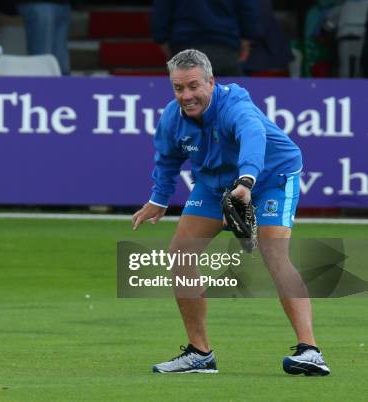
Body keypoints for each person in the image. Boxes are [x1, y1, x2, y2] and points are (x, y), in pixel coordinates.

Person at [131, 49, 331, 376]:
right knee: (181, 254)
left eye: (194, 86)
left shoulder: (235, 106)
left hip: (271, 176)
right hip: (216, 182)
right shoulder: (172, 117)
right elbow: (166, 159)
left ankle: (310, 351)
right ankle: (200, 354)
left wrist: (246, 181)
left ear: (211, 81)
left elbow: (253, 137)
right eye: (179, 88)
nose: (186, 95)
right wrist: (159, 198)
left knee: (273, 251)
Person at [151, 0, 260, 76]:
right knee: (229, 102)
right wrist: (246, 41)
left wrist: (162, 40)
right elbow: (249, 11)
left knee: (185, 100)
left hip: (184, 44)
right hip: (225, 48)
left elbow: (160, 11)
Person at [15, 0, 70, 75]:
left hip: (62, 4)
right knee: (43, 64)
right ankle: (39, 86)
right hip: (38, 3)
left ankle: (63, 86)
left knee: (62, 66)